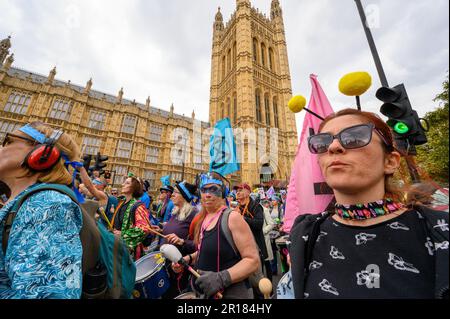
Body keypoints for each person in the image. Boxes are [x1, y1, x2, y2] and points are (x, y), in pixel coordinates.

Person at [289, 108, 449, 299]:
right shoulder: (306, 234)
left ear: (390, 161)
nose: (333, 147)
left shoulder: (440, 230)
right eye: (322, 143)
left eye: (354, 137)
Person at [0, 122, 83, 298]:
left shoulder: (47, 207)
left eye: (7, 141)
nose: (1, 147)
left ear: (41, 154)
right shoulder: (22, 204)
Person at [172, 172, 259, 299]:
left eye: (213, 189)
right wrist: (188, 259)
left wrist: (221, 278)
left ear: (223, 192)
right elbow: (208, 251)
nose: (207, 195)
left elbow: (253, 261)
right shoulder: (203, 219)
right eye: (204, 190)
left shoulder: (232, 218)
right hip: (205, 294)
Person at [159, 181, 199, 298]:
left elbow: (199, 245)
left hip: (179, 267)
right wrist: (161, 228)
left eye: (176, 192)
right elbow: (174, 230)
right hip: (166, 264)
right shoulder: (176, 212)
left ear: (184, 196)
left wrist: (182, 241)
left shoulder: (194, 215)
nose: (172, 195)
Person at [234, 183, 268, 288]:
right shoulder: (237, 208)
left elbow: (259, 224)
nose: (238, 192)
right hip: (241, 249)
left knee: (257, 282)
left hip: (255, 248)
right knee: (245, 282)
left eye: (240, 190)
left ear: (248, 192)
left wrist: (242, 218)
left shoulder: (255, 206)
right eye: (237, 190)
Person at [110, 176, 152, 260]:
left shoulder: (138, 206)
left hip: (128, 253)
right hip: (115, 247)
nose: (123, 184)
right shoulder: (121, 203)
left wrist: (122, 234)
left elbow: (144, 228)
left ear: (134, 188)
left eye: (127, 183)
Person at [260, 198, 275, 282]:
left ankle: (270, 287)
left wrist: (262, 232)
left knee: (267, 263)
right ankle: (261, 287)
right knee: (259, 265)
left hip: (264, 239)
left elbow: (271, 224)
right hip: (255, 241)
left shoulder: (264, 210)